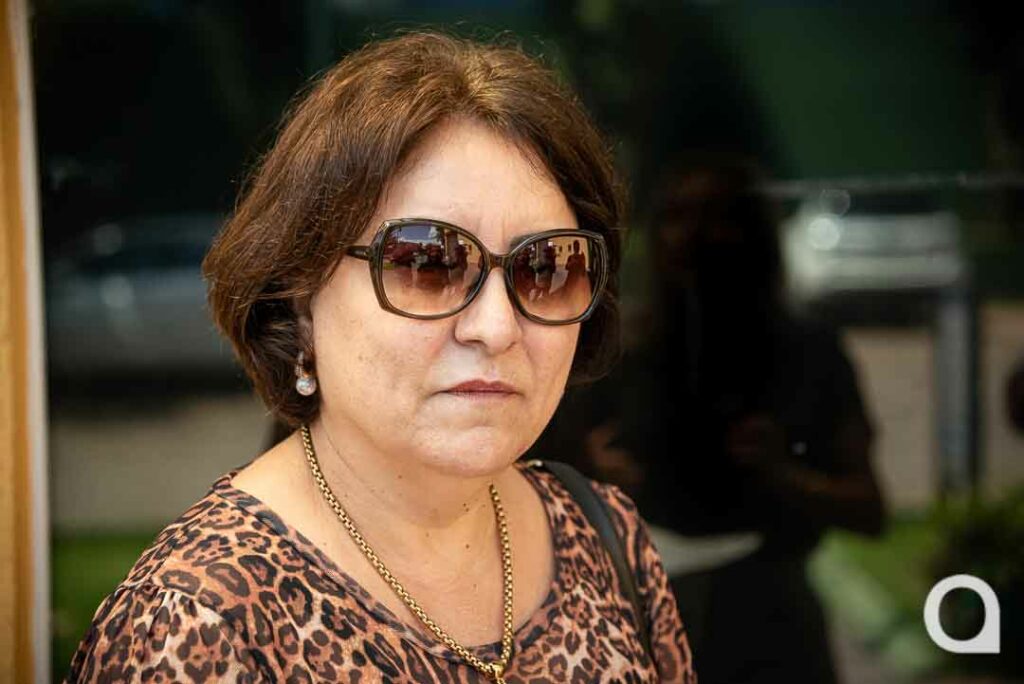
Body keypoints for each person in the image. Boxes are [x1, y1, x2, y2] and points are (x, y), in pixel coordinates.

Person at [63, 33, 697, 683]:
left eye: (545, 267)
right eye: (428, 262)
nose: (496, 327)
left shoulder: (603, 537)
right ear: (300, 295)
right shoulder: (198, 623)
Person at [532, 159, 886, 683]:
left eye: (717, 218)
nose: (695, 238)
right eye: (678, 217)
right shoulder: (616, 353)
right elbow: (530, 490)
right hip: (645, 610)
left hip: (770, 622)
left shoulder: (807, 352)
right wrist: (588, 476)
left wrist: (786, 475)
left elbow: (869, 509)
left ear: (752, 235)